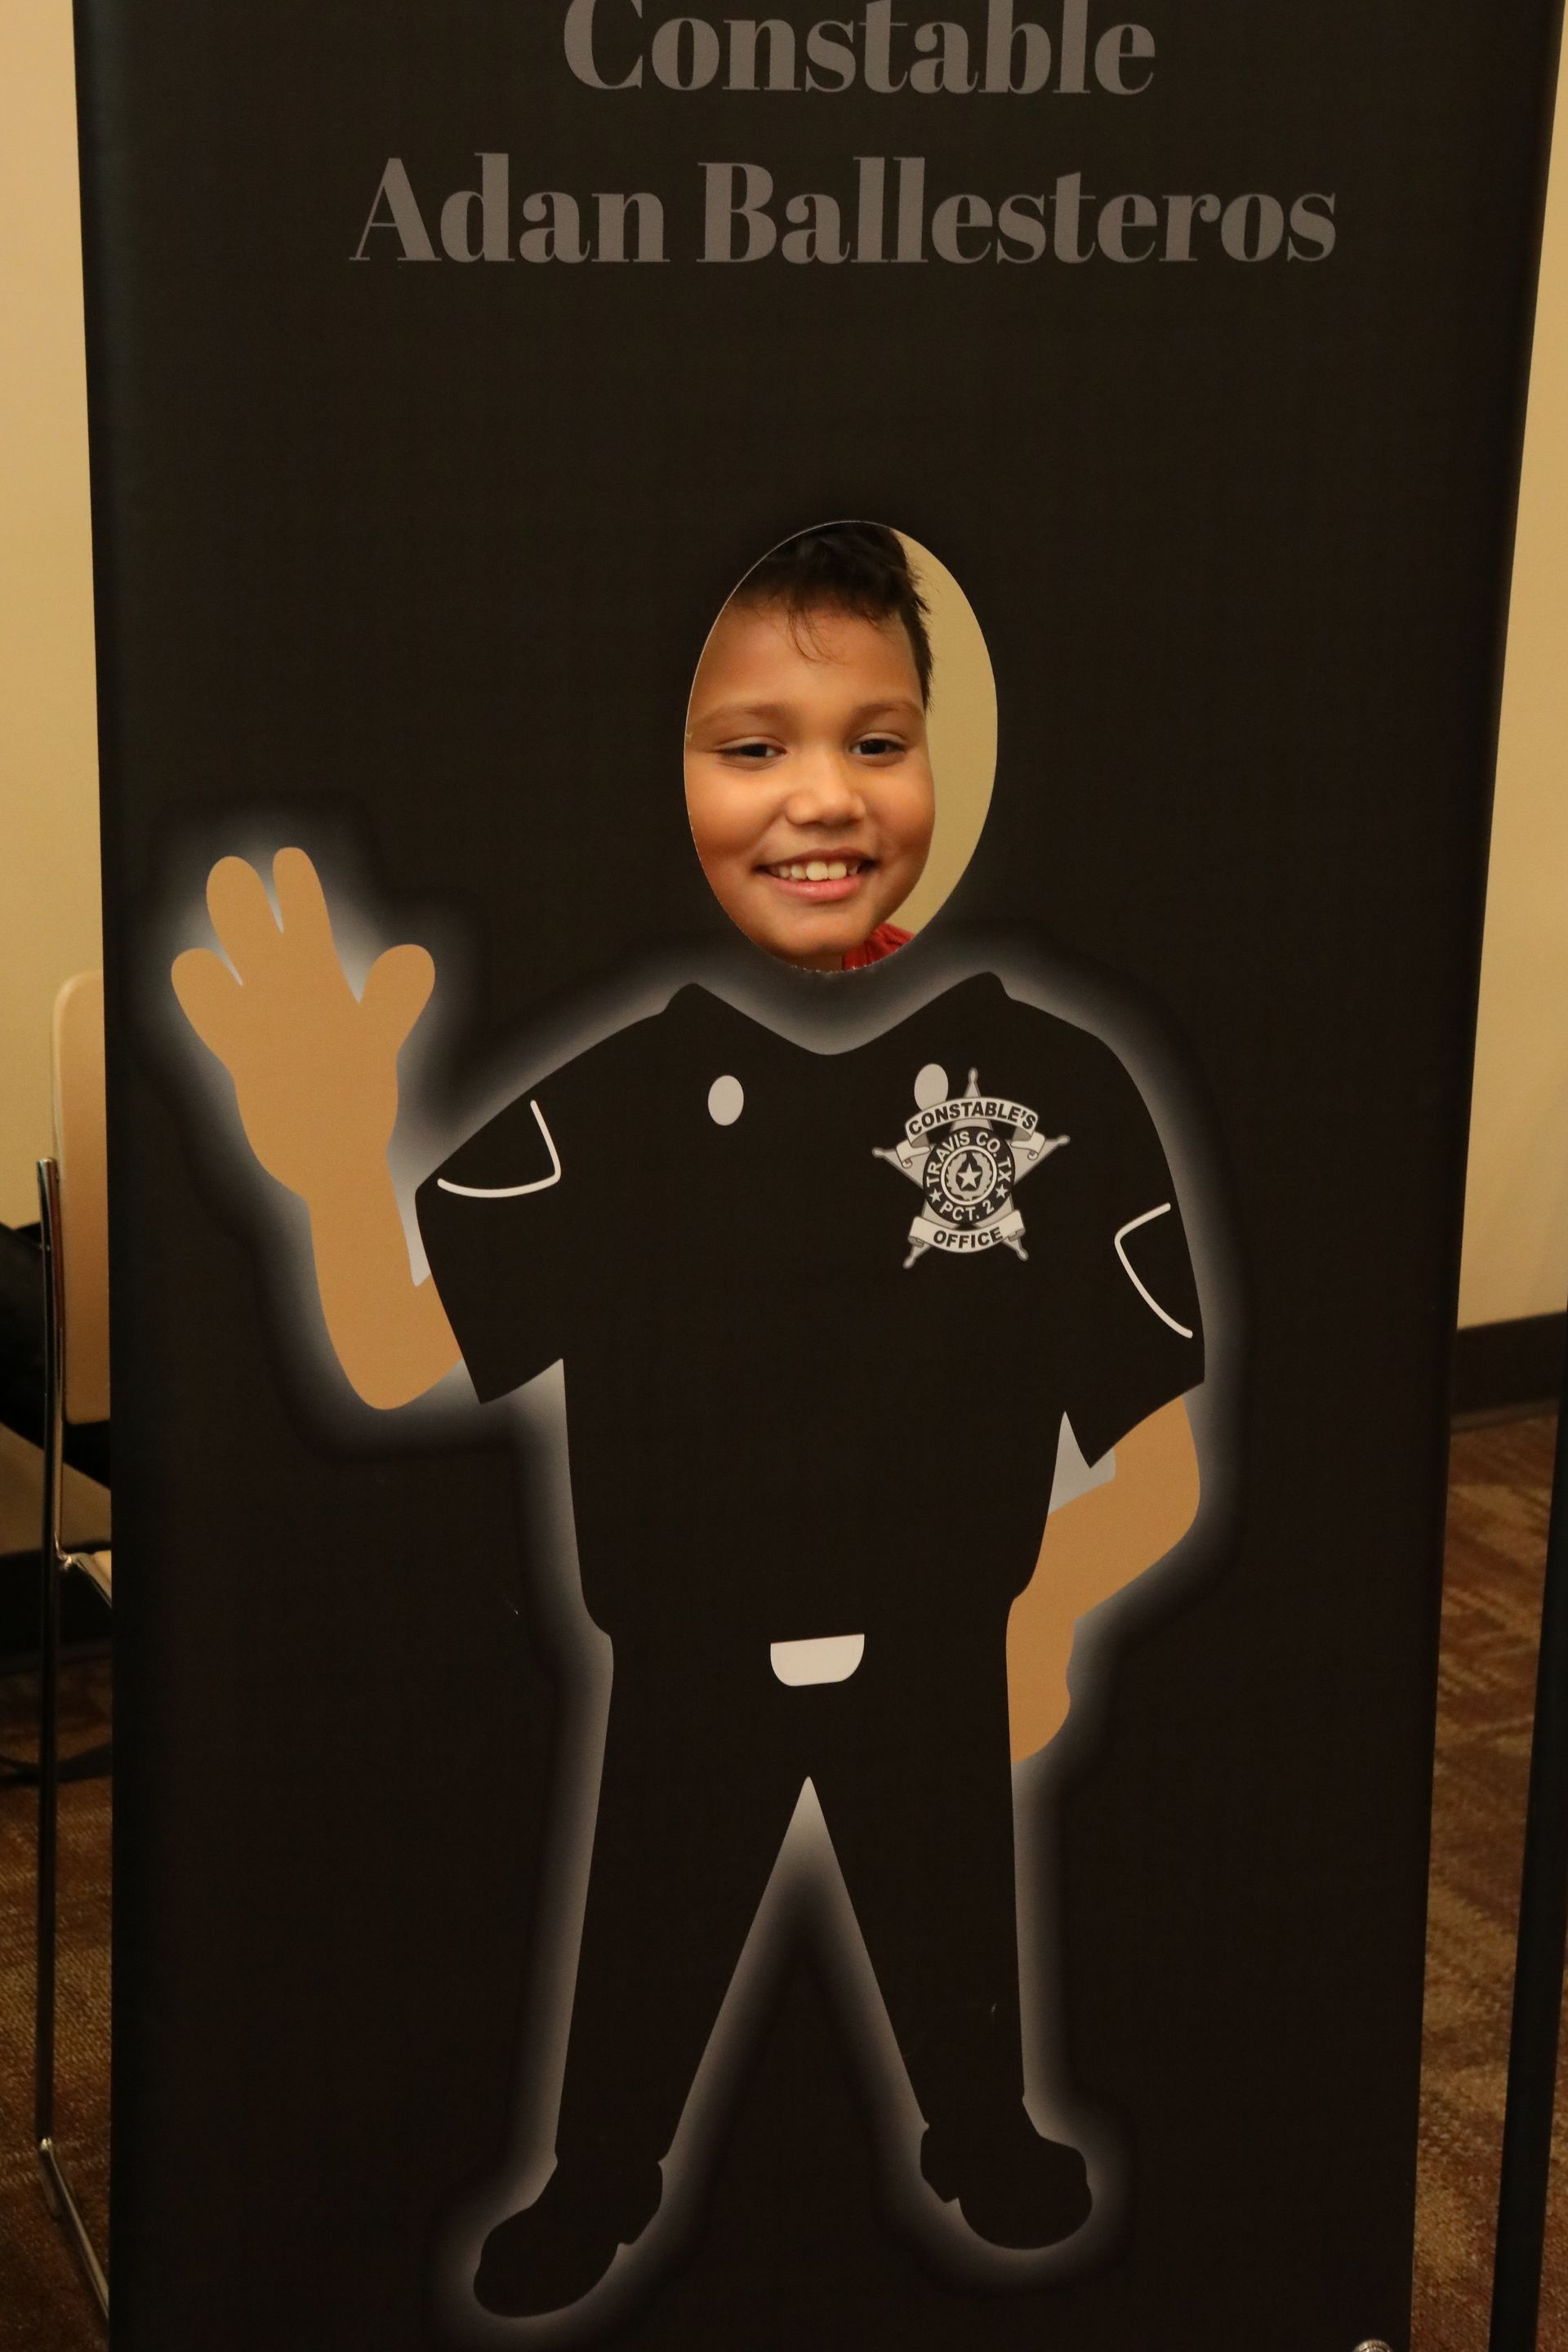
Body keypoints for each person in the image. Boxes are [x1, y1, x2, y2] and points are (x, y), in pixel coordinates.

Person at [171, 523, 1206, 2324]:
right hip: (687, 1657)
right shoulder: (627, 1101)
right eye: (751, 744)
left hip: (941, 1646)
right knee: (646, 1940)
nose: (824, 797)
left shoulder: (1052, 1085)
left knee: (954, 1927)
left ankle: (979, 2129)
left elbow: (1161, 1455)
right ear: (662, 770)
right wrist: (337, 1166)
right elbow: (397, 1350)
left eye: (876, 740)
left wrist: (1049, 1606)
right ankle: (599, 2180)